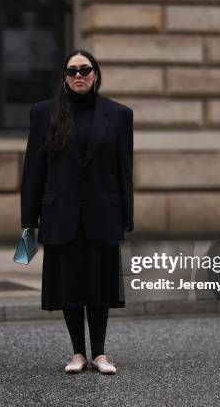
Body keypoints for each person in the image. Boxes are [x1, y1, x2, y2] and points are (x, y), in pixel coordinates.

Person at [20, 49, 134, 375]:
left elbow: (124, 169)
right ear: (65, 77)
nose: (79, 75)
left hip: (102, 213)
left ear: (96, 74)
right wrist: (28, 222)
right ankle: (77, 354)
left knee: (98, 287)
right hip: (61, 216)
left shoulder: (119, 114)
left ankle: (99, 354)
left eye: (85, 69)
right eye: (72, 71)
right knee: (70, 286)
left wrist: (127, 215)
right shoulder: (43, 114)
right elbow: (33, 171)